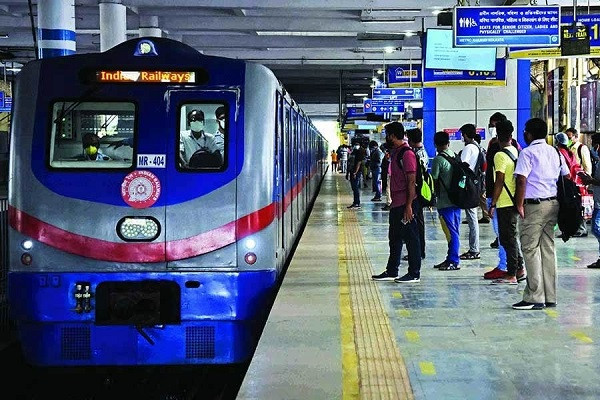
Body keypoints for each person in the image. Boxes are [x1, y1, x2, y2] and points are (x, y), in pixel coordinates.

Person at [512, 118, 569, 310]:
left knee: (530, 249)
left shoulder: (527, 153)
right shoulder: (555, 152)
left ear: (528, 134)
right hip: (552, 204)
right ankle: (550, 295)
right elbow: (566, 176)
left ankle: (534, 297)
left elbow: (521, 180)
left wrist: (518, 205)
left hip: (534, 207)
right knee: (548, 249)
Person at [372, 121, 422, 283]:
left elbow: (411, 180)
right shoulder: (396, 153)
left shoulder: (406, 154)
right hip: (396, 203)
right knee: (394, 238)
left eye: (387, 135)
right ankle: (392, 270)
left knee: (411, 239)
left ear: (393, 135)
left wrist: (408, 206)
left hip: (406, 204)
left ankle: (414, 273)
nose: (386, 138)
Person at [487, 119, 525, 285]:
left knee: (507, 238)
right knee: (511, 237)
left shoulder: (500, 155)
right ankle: (519, 268)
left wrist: (493, 204)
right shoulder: (516, 151)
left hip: (504, 202)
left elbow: (499, 180)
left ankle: (512, 273)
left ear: (497, 135)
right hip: (514, 200)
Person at [431, 131, 461, 270]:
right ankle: (450, 257)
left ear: (436, 144)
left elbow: (434, 179)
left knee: (451, 232)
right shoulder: (455, 156)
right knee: (454, 230)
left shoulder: (438, 159)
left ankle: (453, 260)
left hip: (445, 201)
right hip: (457, 200)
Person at [458, 123, 482, 260]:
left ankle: (474, 249)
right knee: (472, 217)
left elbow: (464, 165)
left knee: (472, 218)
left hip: (468, 185)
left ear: (466, 135)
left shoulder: (469, 148)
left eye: (463, 135)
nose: (462, 137)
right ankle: (474, 249)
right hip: (475, 184)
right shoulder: (477, 146)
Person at [405, 128, 429, 260]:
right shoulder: (423, 152)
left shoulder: (416, 154)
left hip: (417, 191)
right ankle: (420, 251)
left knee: (416, 223)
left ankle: (418, 251)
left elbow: (415, 176)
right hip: (421, 190)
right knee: (419, 222)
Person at [580, 133, 600, 268]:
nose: (592, 147)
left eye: (593, 143)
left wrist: (590, 180)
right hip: (598, 199)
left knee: (596, 227)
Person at [347, 143, 365, 209]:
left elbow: (359, 163)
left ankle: (357, 203)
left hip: (355, 173)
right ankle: (355, 202)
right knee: (354, 188)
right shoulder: (354, 152)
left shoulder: (359, 153)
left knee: (355, 188)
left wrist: (355, 172)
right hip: (352, 172)